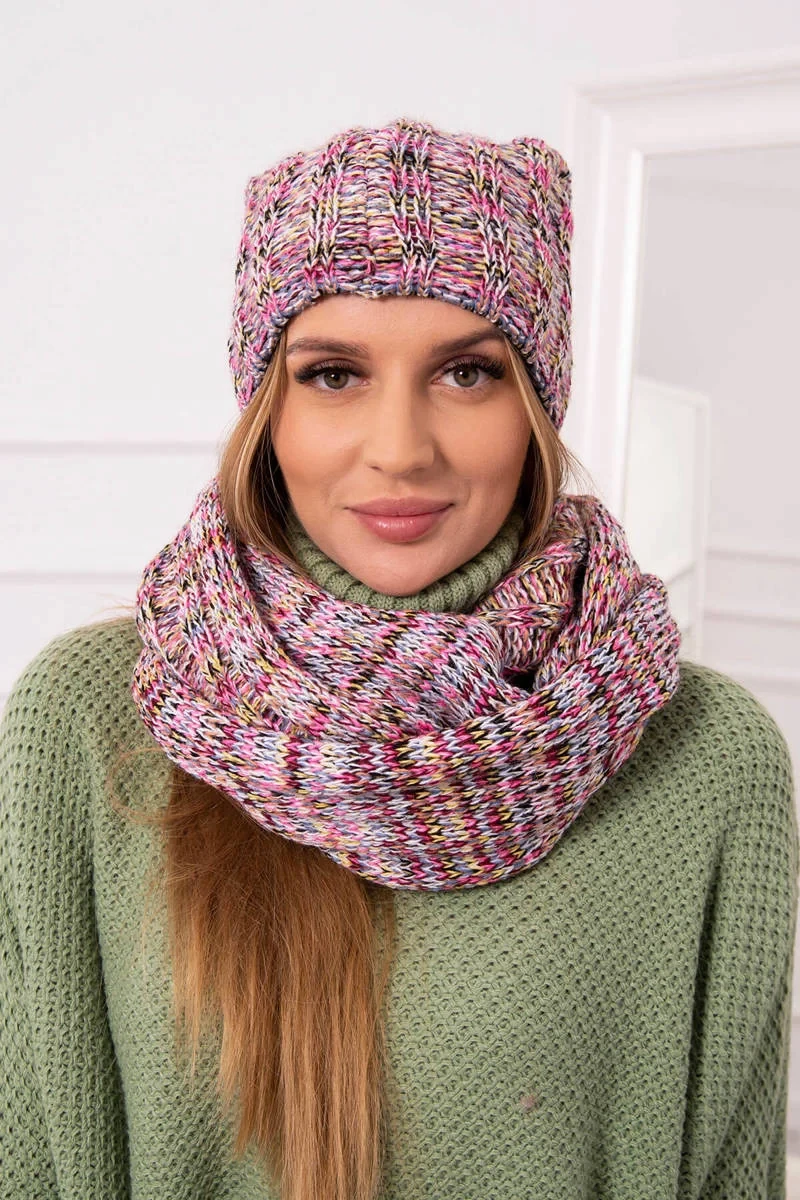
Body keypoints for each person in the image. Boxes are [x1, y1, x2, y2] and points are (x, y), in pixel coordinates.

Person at [1, 116, 797, 1200]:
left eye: (466, 373)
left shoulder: (706, 760)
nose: (399, 449)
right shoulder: (88, 720)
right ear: (267, 409)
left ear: (536, 404)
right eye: (333, 375)